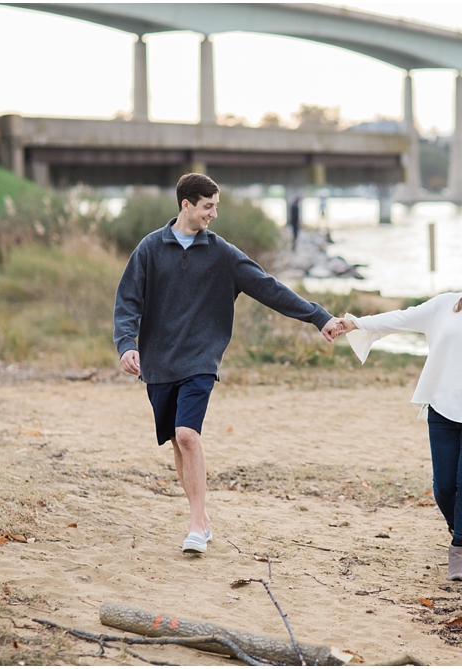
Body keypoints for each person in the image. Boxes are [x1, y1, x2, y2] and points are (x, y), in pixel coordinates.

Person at [114, 173, 340, 556]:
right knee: (177, 440)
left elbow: (268, 287)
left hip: (201, 359)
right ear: (186, 205)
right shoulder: (150, 248)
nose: (213, 214)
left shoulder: (222, 253)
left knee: (187, 435)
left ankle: (195, 527)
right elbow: (128, 301)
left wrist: (319, 317)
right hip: (159, 361)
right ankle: (201, 518)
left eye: (215, 206)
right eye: (208, 206)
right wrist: (126, 344)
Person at [334, 248, 462, 581]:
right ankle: (460, 530)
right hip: (442, 406)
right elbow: (402, 318)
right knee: (443, 487)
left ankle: (458, 548)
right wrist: (357, 323)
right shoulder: (445, 305)